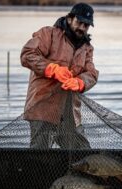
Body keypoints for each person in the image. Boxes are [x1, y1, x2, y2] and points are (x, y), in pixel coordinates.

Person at [21, 3, 99, 149]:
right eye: (79, 22)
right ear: (70, 19)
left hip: (70, 114)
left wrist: (80, 82)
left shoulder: (87, 48)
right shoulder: (47, 34)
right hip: (42, 109)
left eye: (86, 25)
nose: (82, 27)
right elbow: (27, 55)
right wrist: (52, 69)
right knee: (39, 158)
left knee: (83, 154)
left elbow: (92, 74)